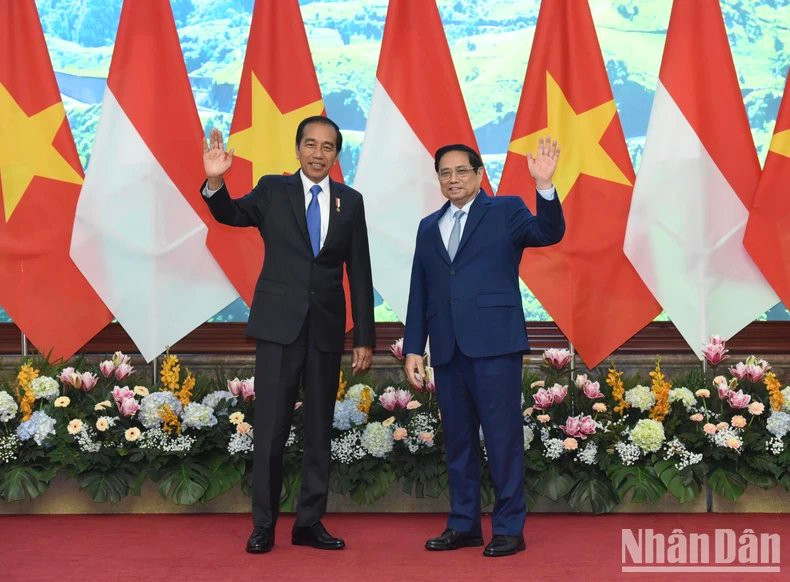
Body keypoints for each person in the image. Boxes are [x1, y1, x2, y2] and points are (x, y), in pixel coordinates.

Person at [201, 116, 375, 554]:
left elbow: (360, 271)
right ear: (297, 149)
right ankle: (264, 526)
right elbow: (230, 213)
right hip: (279, 328)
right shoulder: (272, 190)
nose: (318, 154)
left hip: (326, 330)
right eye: (311, 145)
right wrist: (214, 181)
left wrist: (365, 337)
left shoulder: (350, 202)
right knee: (271, 430)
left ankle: (309, 523)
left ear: (337, 155)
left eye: (328, 147)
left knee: (319, 430)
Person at [403, 138, 564, 557]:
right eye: (445, 173)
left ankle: (509, 527)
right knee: (457, 440)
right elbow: (420, 290)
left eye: (461, 171)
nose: (453, 179)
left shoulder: (505, 210)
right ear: (438, 179)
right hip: (448, 348)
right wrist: (414, 348)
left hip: (494, 345)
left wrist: (544, 186)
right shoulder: (426, 225)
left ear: (478, 175)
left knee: (502, 439)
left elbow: (549, 232)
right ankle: (464, 524)